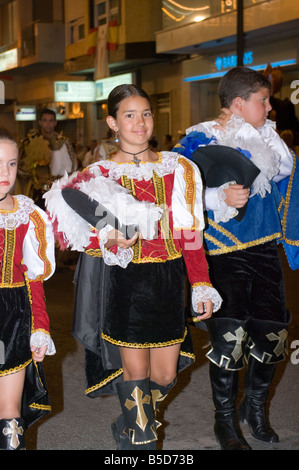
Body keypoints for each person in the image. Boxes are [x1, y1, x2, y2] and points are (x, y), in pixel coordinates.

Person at [44, 84, 222, 450]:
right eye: (129, 115)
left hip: (169, 281)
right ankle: (138, 442)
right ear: (112, 122)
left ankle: (128, 422)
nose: (140, 123)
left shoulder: (180, 169)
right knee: (136, 375)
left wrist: (201, 282)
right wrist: (108, 240)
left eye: (145, 114)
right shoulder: (98, 174)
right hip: (125, 283)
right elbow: (78, 235)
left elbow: (190, 234)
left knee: (166, 374)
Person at [173, 66, 299, 450]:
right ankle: (224, 421)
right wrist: (216, 198)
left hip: (263, 248)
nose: (270, 107)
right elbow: (178, 194)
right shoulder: (196, 139)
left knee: (274, 332)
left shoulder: (266, 134)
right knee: (229, 338)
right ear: (239, 103)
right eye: (263, 101)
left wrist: (267, 133)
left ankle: (254, 408)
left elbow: (288, 169)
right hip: (220, 251)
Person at [0, 128, 56, 450]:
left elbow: (33, 279)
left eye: (10, 164)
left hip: (14, 317)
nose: (4, 174)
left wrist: (40, 328)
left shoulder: (27, 215)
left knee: (10, 416)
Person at [19, 108, 77, 207]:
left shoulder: (63, 142)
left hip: (59, 190)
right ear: (40, 122)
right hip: (36, 192)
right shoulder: (30, 142)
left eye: (51, 121)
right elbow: (21, 168)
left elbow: (73, 166)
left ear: (55, 123)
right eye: (45, 121)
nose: (48, 124)